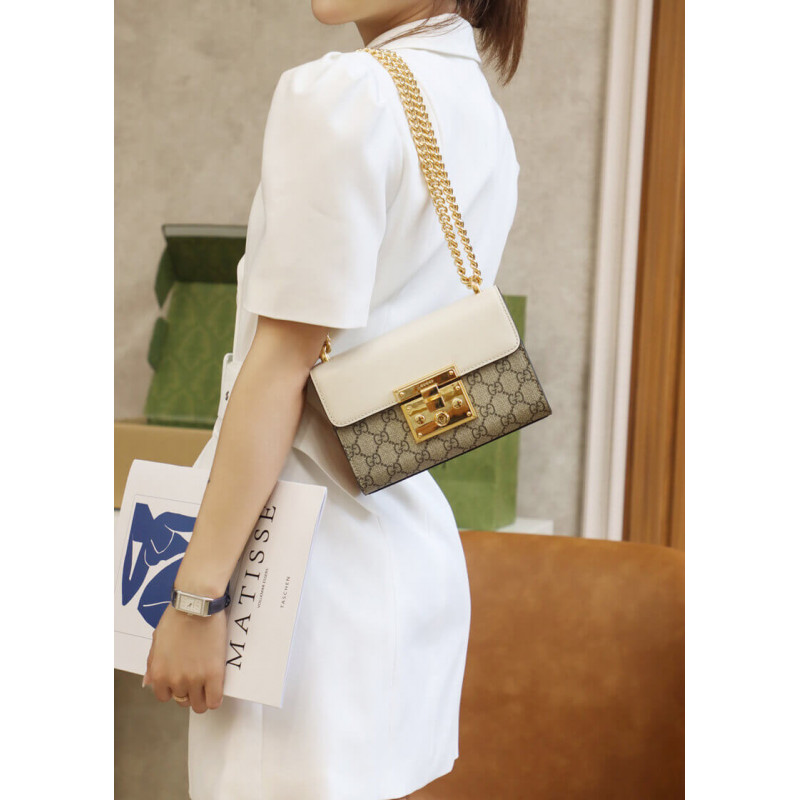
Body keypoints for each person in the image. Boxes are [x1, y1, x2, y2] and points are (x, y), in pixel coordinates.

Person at [141, 1, 525, 798]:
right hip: (407, 554)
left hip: (297, 582)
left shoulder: (349, 94)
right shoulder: (480, 114)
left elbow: (281, 365)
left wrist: (196, 597)